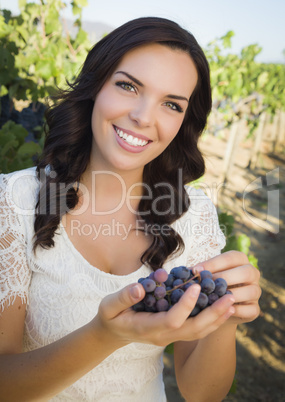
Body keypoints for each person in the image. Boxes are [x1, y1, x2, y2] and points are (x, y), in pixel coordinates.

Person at [0, 16, 261, 402]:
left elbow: (201, 393)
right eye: (127, 86)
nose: (143, 117)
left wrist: (226, 315)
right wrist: (105, 336)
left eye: (171, 104)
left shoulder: (193, 217)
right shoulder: (14, 201)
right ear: (95, 86)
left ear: (184, 121)